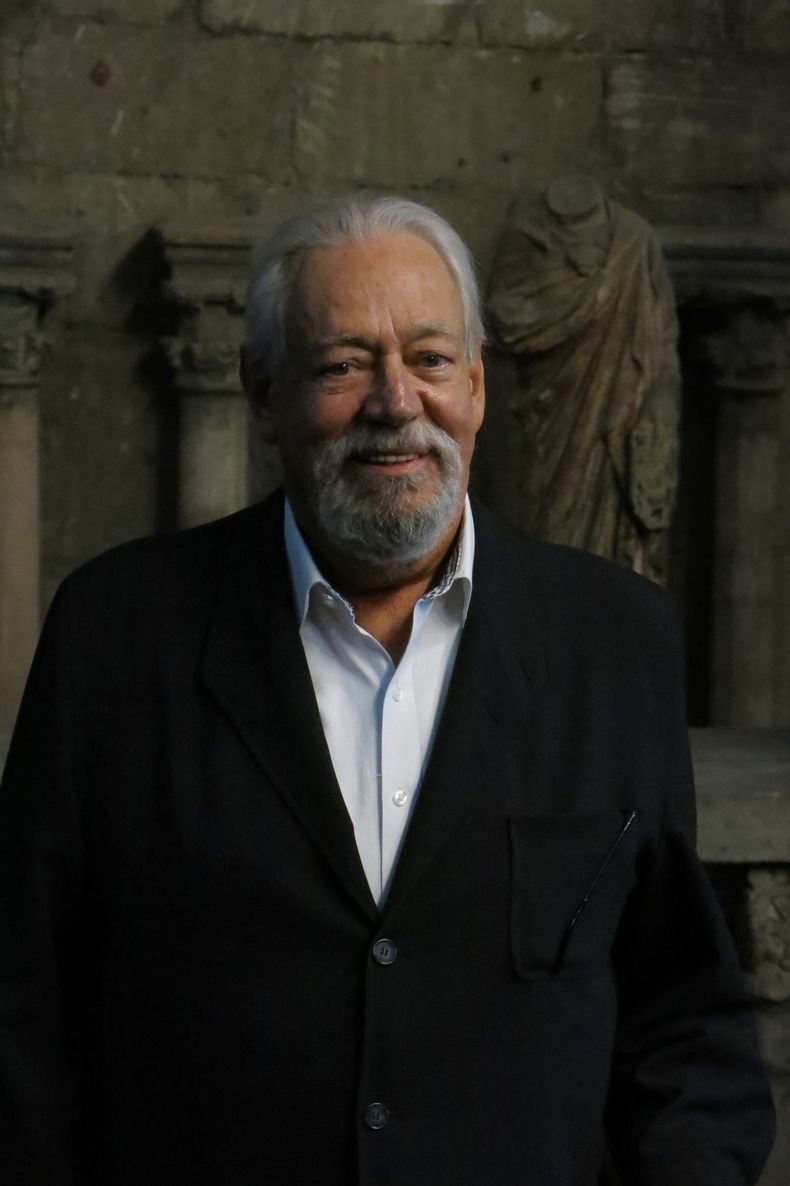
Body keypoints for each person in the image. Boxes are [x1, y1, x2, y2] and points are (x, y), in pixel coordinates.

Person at [0, 194, 775, 1186]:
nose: (395, 400)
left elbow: (681, 1020)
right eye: (342, 364)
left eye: (430, 357)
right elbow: (23, 1012)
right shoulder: (117, 635)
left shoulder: (610, 642)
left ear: (479, 386)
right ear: (261, 389)